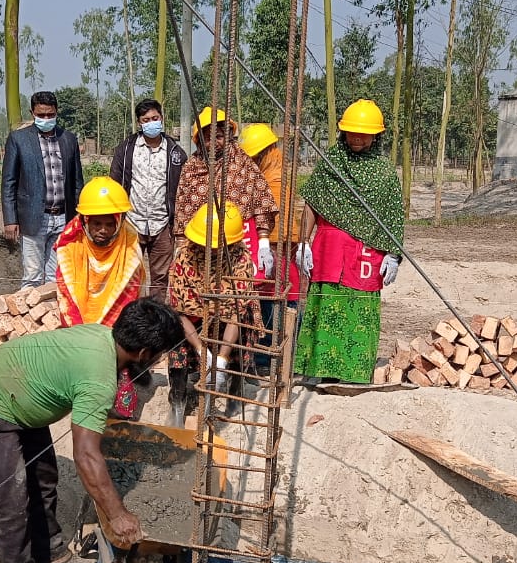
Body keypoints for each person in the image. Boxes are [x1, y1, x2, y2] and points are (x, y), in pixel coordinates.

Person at [0, 298, 184, 563]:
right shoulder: (98, 379)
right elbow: (86, 456)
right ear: (144, 353)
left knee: (44, 477)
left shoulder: (103, 337)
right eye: (158, 355)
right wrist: (118, 514)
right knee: (11, 501)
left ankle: (52, 555)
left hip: (21, 388)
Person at [293, 99, 404, 384]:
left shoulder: (384, 172)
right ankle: (318, 371)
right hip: (328, 249)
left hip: (365, 254)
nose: (357, 138)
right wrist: (302, 242)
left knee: (358, 310)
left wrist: (393, 254)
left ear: (376, 136)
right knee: (324, 306)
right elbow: (312, 204)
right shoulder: (330, 164)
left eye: (364, 134)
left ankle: (354, 374)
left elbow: (393, 213)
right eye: (352, 132)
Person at [54, 177, 148, 419]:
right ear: (85, 221)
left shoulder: (129, 246)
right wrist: (85, 336)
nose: (103, 230)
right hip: (81, 325)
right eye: (96, 224)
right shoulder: (70, 246)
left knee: (119, 363)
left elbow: (128, 300)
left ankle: (120, 415)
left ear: (119, 222)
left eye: (109, 224)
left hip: (115, 329)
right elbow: (67, 296)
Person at [166, 203, 263, 427]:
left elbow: (236, 314)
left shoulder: (241, 261)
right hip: (192, 322)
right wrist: (202, 350)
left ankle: (232, 393)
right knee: (175, 340)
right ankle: (178, 401)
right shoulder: (184, 259)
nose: (210, 250)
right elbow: (179, 310)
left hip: (229, 322)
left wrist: (220, 359)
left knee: (243, 330)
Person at [173, 107, 277, 279]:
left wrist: (264, 243)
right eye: (207, 138)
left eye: (219, 137)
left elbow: (262, 201)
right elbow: (183, 210)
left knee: (239, 285)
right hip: (200, 242)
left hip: (239, 239)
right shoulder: (191, 168)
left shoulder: (243, 163)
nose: (213, 143)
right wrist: (180, 247)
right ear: (199, 140)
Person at [2, 90, 84, 287]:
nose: (46, 119)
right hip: (33, 217)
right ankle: (28, 306)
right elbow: (9, 182)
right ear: (32, 113)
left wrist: (79, 217)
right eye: (41, 115)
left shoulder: (68, 139)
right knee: (33, 275)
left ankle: (52, 307)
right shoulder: (19, 139)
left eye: (50, 114)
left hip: (63, 217)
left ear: (57, 112)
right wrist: (10, 220)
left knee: (57, 276)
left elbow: (77, 182)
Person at [108, 98, 187, 300]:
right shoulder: (126, 149)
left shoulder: (175, 152)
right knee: (129, 276)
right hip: (132, 223)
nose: (151, 123)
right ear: (139, 123)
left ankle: (154, 316)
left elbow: (182, 191)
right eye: (146, 120)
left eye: (155, 118)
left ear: (162, 118)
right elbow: (115, 182)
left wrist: (177, 225)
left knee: (160, 278)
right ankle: (129, 314)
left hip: (162, 225)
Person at [240, 124, 303, 372]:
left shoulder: (276, 182)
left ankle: (272, 359)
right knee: (267, 304)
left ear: (267, 153)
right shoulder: (260, 180)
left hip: (280, 255)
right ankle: (266, 357)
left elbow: (285, 228)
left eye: (256, 156)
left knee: (279, 305)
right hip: (263, 252)